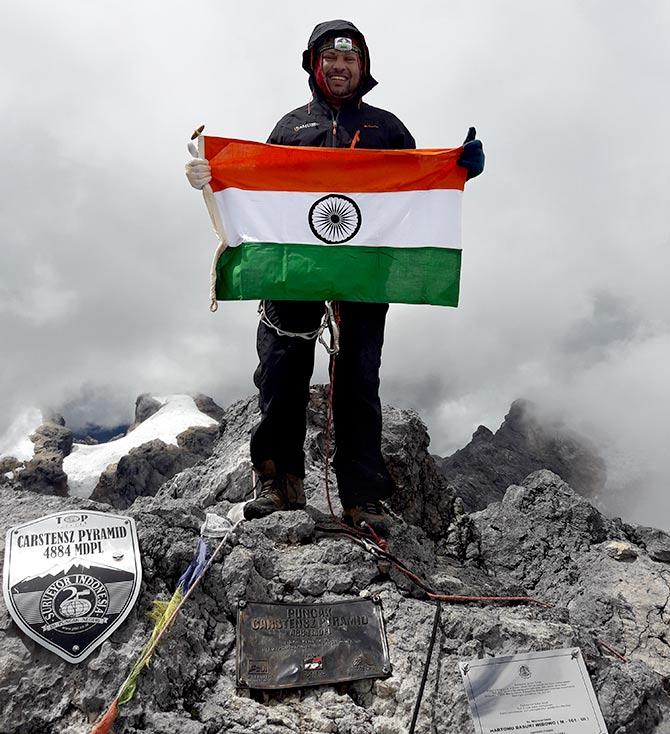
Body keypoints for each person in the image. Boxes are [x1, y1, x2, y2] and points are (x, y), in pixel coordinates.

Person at [186, 20, 484, 533]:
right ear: (314, 65)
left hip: (365, 275)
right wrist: (213, 178)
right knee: (280, 373)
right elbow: (262, 196)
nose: (339, 67)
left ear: (362, 67)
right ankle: (279, 484)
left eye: (349, 59)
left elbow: (412, 193)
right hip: (294, 271)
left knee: (358, 380)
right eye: (329, 58)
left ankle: (363, 497)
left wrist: (456, 170)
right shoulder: (290, 128)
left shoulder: (388, 129)